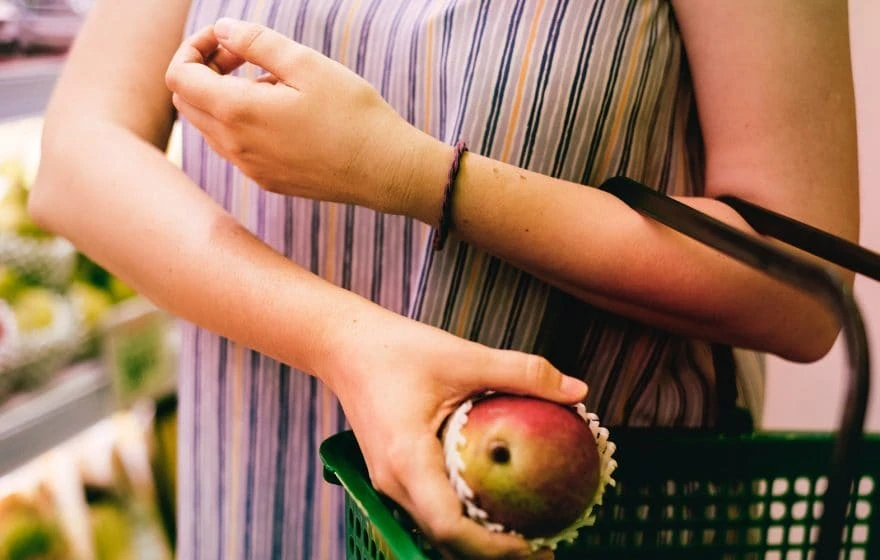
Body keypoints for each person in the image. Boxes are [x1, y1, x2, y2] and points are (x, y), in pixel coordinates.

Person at [29, 1, 858, 558]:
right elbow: (77, 154)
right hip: (260, 491)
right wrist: (346, 342)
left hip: (595, 506)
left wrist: (412, 174)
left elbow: (802, 289)